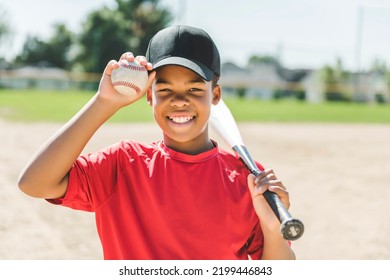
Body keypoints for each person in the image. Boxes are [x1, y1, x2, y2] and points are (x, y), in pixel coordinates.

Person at [18, 25, 295, 260]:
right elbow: (34, 183)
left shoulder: (248, 179)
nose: (179, 99)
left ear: (216, 95)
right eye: (165, 89)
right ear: (149, 96)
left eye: (195, 88)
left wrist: (272, 229)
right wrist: (103, 104)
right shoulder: (123, 164)